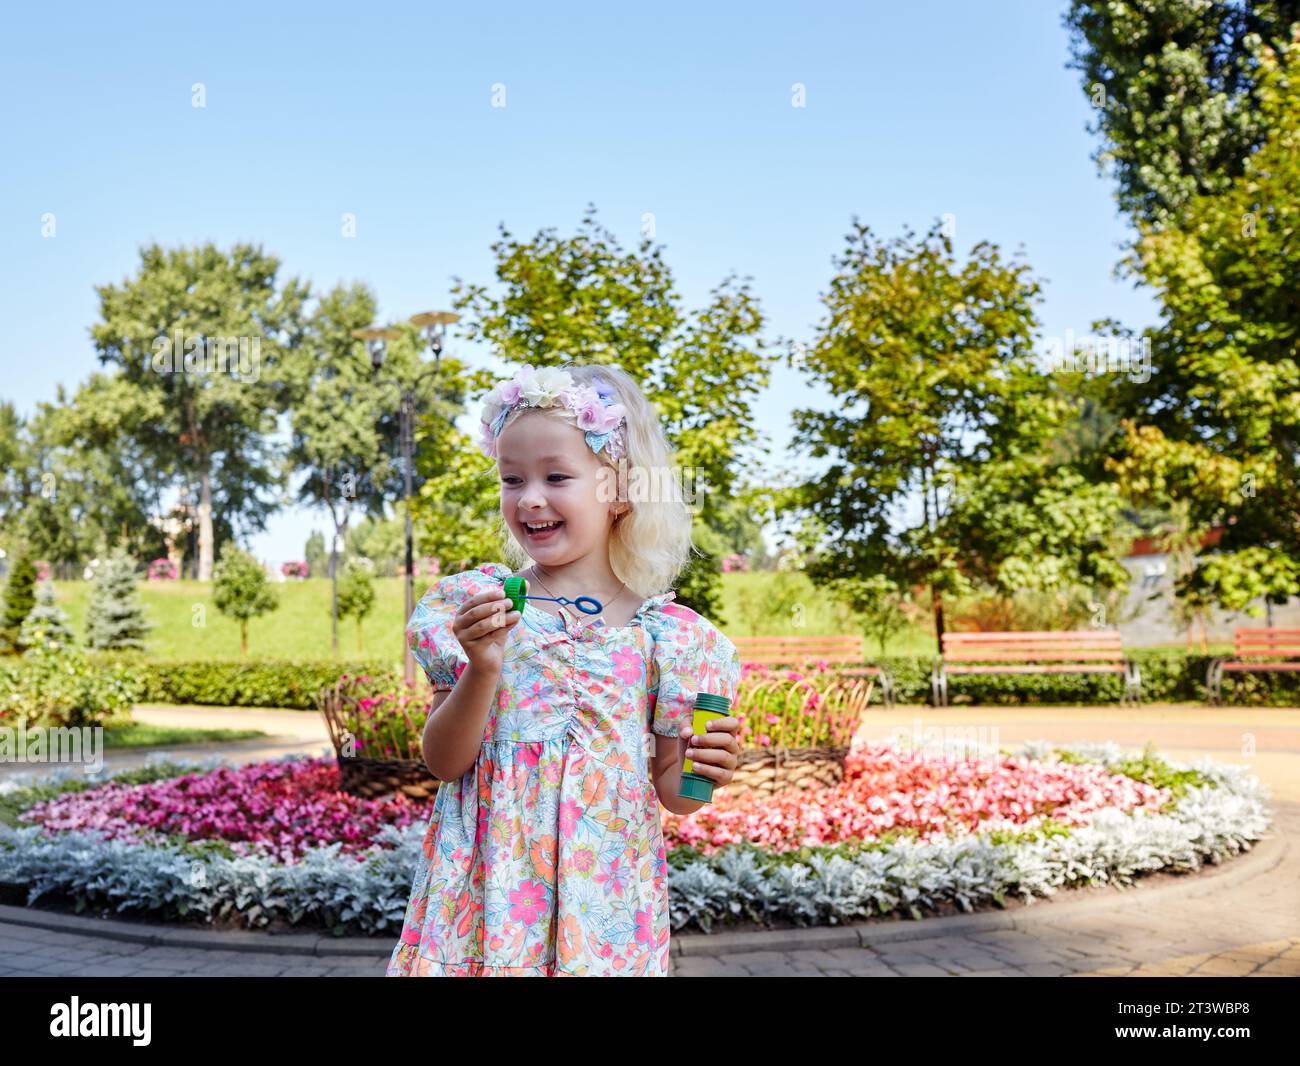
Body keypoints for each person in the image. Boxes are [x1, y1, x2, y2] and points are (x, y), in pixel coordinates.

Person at [385, 361, 742, 977]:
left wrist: (707, 769)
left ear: (620, 489)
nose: (529, 498)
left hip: (604, 917)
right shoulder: (482, 608)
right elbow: (444, 762)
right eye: (511, 478)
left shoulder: (671, 640)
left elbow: (675, 794)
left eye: (557, 476)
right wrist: (483, 667)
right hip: (487, 904)